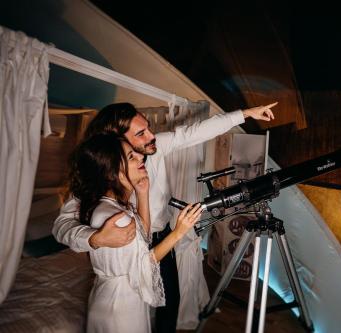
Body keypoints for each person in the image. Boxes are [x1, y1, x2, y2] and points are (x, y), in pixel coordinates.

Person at [53, 101, 277, 332]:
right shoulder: (97, 176)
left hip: (160, 237)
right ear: (116, 140)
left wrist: (245, 114)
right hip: (123, 253)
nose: (152, 136)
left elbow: (193, 133)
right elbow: (61, 226)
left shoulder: (155, 146)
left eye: (148, 128)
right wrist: (96, 238)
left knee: (169, 303)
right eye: (141, 133)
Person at [67, 132, 203, 332]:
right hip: (120, 309)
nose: (142, 157)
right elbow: (144, 267)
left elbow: (143, 240)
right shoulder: (116, 217)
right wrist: (178, 232)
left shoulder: (114, 206)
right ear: (112, 172)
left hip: (118, 299)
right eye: (132, 157)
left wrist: (142, 194)